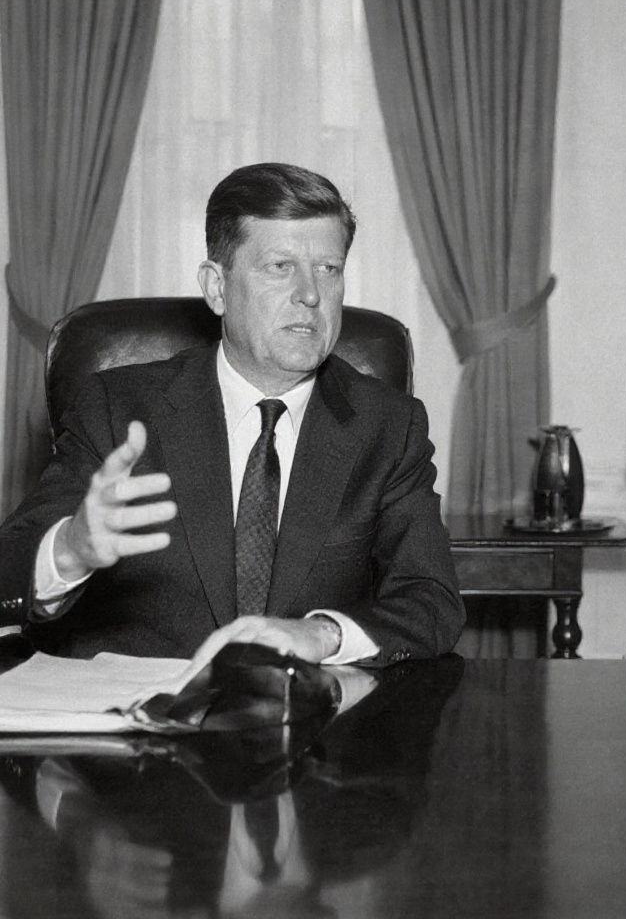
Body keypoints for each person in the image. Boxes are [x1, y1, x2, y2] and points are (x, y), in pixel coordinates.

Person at [0, 162, 463, 666]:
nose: (311, 294)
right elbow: (10, 567)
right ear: (217, 288)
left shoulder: (388, 425)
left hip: (306, 728)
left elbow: (430, 600)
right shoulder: (117, 407)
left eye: (328, 269)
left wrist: (323, 635)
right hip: (135, 726)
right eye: (279, 266)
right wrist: (68, 549)